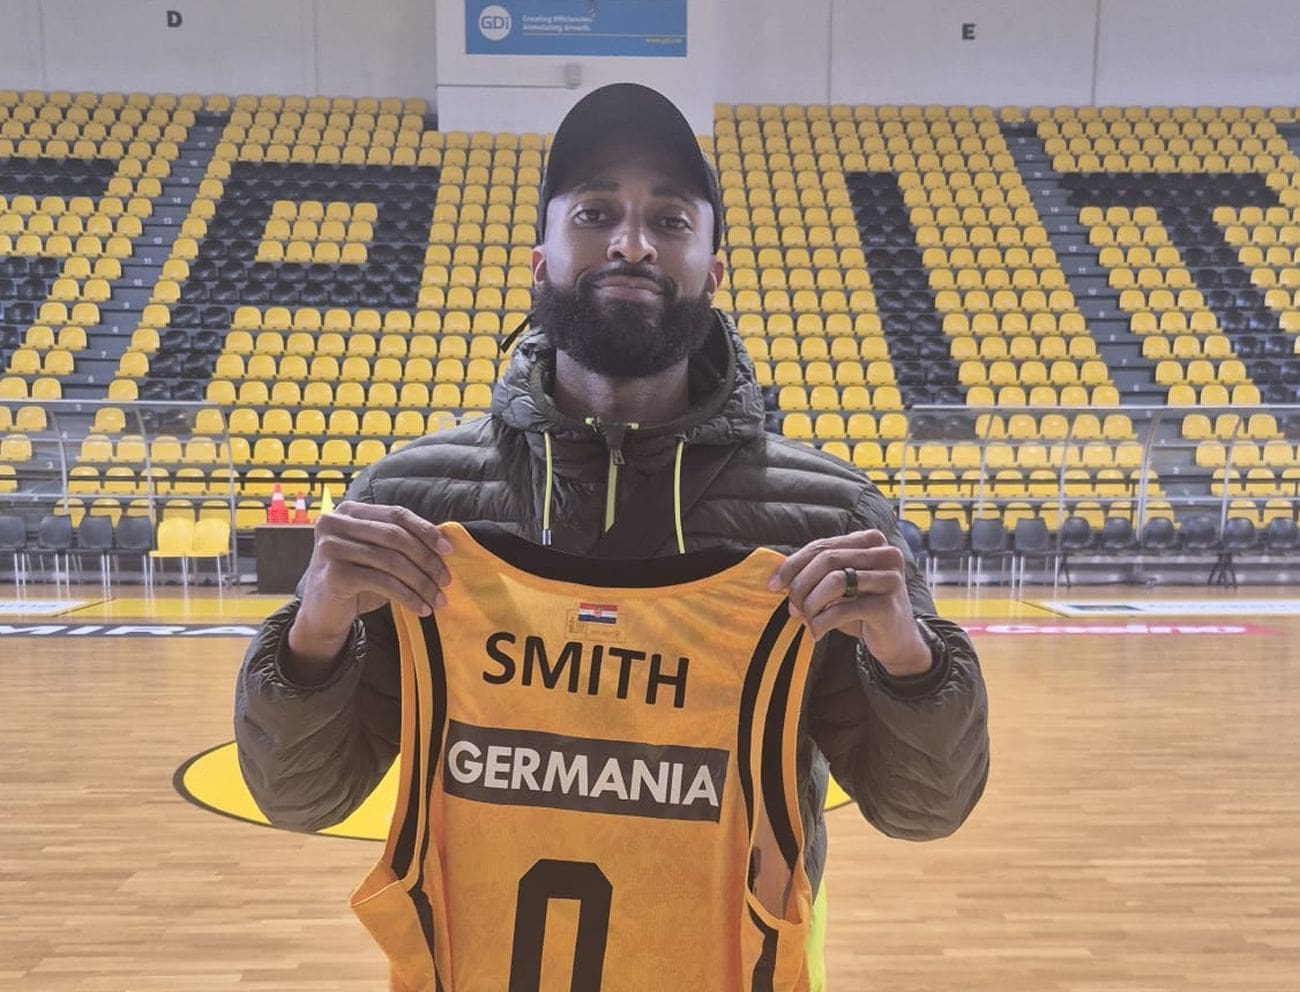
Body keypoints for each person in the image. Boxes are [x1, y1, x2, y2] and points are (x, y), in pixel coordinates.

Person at [235, 82, 989, 982]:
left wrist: (910, 661)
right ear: (540, 260)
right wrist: (313, 636)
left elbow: (926, 808)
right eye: (596, 214)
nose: (632, 243)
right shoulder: (413, 505)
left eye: (670, 221)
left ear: (713, 272)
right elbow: (301, 797)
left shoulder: (829, 522)